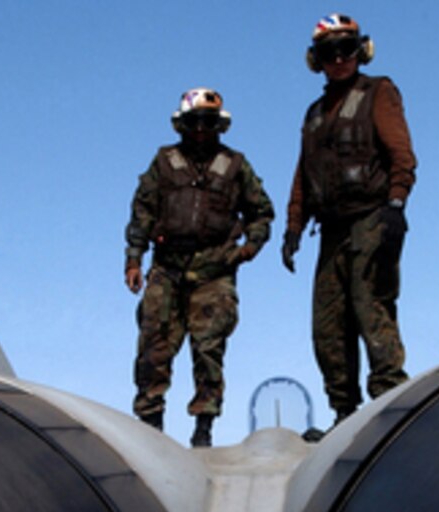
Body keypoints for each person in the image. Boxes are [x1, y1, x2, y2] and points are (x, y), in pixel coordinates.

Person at [282, 14, 417, 427]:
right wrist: (292, 227)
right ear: (316, 60)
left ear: (361, 52)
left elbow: (401, 153)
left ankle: (389, 407)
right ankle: (344, 414)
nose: (339, 59)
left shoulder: (378, 92)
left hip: (372, 219)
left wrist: (396, 205)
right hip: (332, 230)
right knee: (328, 324)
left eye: (347, 50)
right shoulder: (315, 113)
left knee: (370, 306)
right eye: (329, 53)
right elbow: (304, 174)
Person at [125, 87, 274, 447]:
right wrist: (134, 258)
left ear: (220, 126)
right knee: (153, 346)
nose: (201, 131)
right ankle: (151, 424)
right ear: (182, 125)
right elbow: (143, 209)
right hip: (167, 268)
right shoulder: (164, 162)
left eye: (209, 124)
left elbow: (262, 211)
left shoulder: (235, 166)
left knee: (209, 349)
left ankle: (203, 427)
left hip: (214, 270)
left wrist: (248, 248)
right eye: (195, 123)